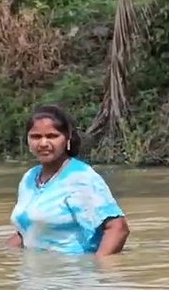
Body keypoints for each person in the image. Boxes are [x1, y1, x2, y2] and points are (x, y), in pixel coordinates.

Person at [7, 104, 130, 257]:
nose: (43, 143)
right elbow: (26, 232)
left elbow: (117, 228)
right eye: (36, 137)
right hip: (36, 274)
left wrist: (100, 270)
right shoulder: (29, 179)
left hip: (73, 274)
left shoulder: (80, 177)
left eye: (52, 136)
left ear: (67, 138)